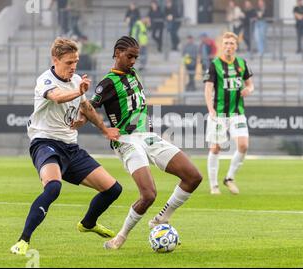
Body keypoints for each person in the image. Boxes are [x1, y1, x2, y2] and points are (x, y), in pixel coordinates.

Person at [10, 38, 123, 256]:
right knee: (53, 187)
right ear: (55, 60)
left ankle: (88, 223)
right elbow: (58, 97)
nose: (73, 66)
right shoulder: (45, 80)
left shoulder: (76, 80)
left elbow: (87, 108)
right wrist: (79, 92)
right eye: (69, 62)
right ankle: (23, 240)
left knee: (113, 189)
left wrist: (105, 129)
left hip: (71, 147)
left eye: (76, 62)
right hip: (45, 143)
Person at [89, 36, 202, 250]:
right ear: (117, 52)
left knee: (193, 177)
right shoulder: (107, 83)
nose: (133, 61)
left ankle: (161, 219)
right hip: (127, 140)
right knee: (149, 194)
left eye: (136, 57)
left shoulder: (133, 74)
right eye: (129, 56)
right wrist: (103, 128)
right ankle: (120, 237)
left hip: (149, 136)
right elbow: (88, 107)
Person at [203, 32, 254, 195]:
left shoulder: (242, 63)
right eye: (226, 43)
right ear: (221, 46)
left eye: (232, 43)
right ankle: (214, 185)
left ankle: (229, 178)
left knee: (243, 145)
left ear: (236, 46)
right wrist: (210, 109)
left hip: (237, 113)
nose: (228, 46)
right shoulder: (215, 64)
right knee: (216, 148)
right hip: (219, 113)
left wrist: (248, 90)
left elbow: (250, 84)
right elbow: (208, 88)